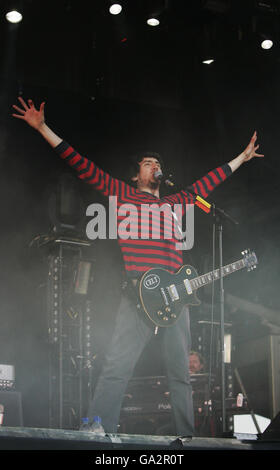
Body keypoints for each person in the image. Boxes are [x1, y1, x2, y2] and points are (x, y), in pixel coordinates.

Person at [12, 97, 264, 437]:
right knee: (117, 367)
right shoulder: (123, 195)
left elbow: (210, 180)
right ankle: (96, 429)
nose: (153, 166)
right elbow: (82, 165)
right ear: (136, 175)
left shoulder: (177, 202)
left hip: (175, 297)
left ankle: (186, 438)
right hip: (138, 294)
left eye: (157, 163)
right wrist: (42, 127)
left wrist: (242, 158)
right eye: (147, 163)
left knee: (180, 374)